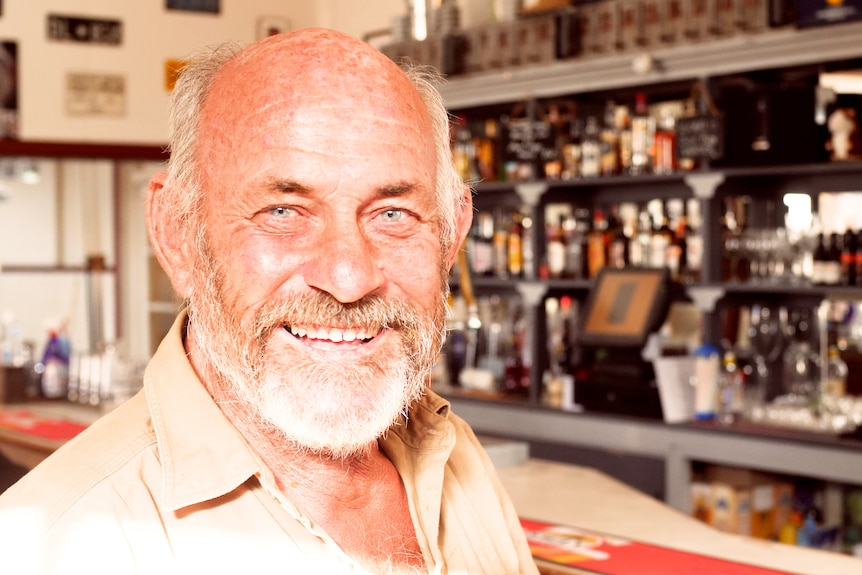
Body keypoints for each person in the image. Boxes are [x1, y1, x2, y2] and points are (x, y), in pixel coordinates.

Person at [0, 27, 539, 574]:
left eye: (393, 215)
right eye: (282, 212)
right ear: (177, 235)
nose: (348, 279)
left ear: (452, 235)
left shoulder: (458, 459)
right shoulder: (50, 545)